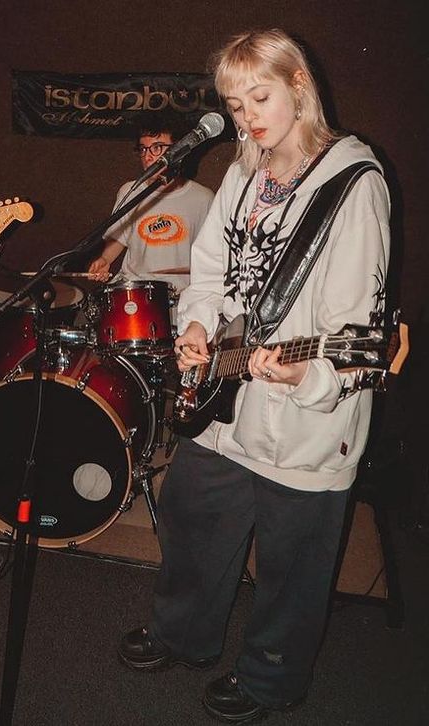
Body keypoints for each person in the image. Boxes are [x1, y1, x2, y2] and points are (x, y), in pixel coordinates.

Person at [116, 30, 391, 722]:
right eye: (235, 105)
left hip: (306, 419)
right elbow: (210, 272)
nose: (247, 118)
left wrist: (308, 378)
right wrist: (200, 325)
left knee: (293, 564)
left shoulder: (354, 183)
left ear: (299, 82)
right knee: (192, 515)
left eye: (258, 97)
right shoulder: (244, 171)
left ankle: (271, 677)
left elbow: (358, 327)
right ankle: (185, 633)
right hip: (226, 397)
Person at [87, 112, 214, 293]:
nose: (147, 157)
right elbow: (119, 237)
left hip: (181, 296)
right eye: (143, 149)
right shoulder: (129, 191)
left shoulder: (203, 198)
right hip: (135, 291)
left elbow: (212, 254)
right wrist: (105, 260)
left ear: (180, 149)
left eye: (157, 147)